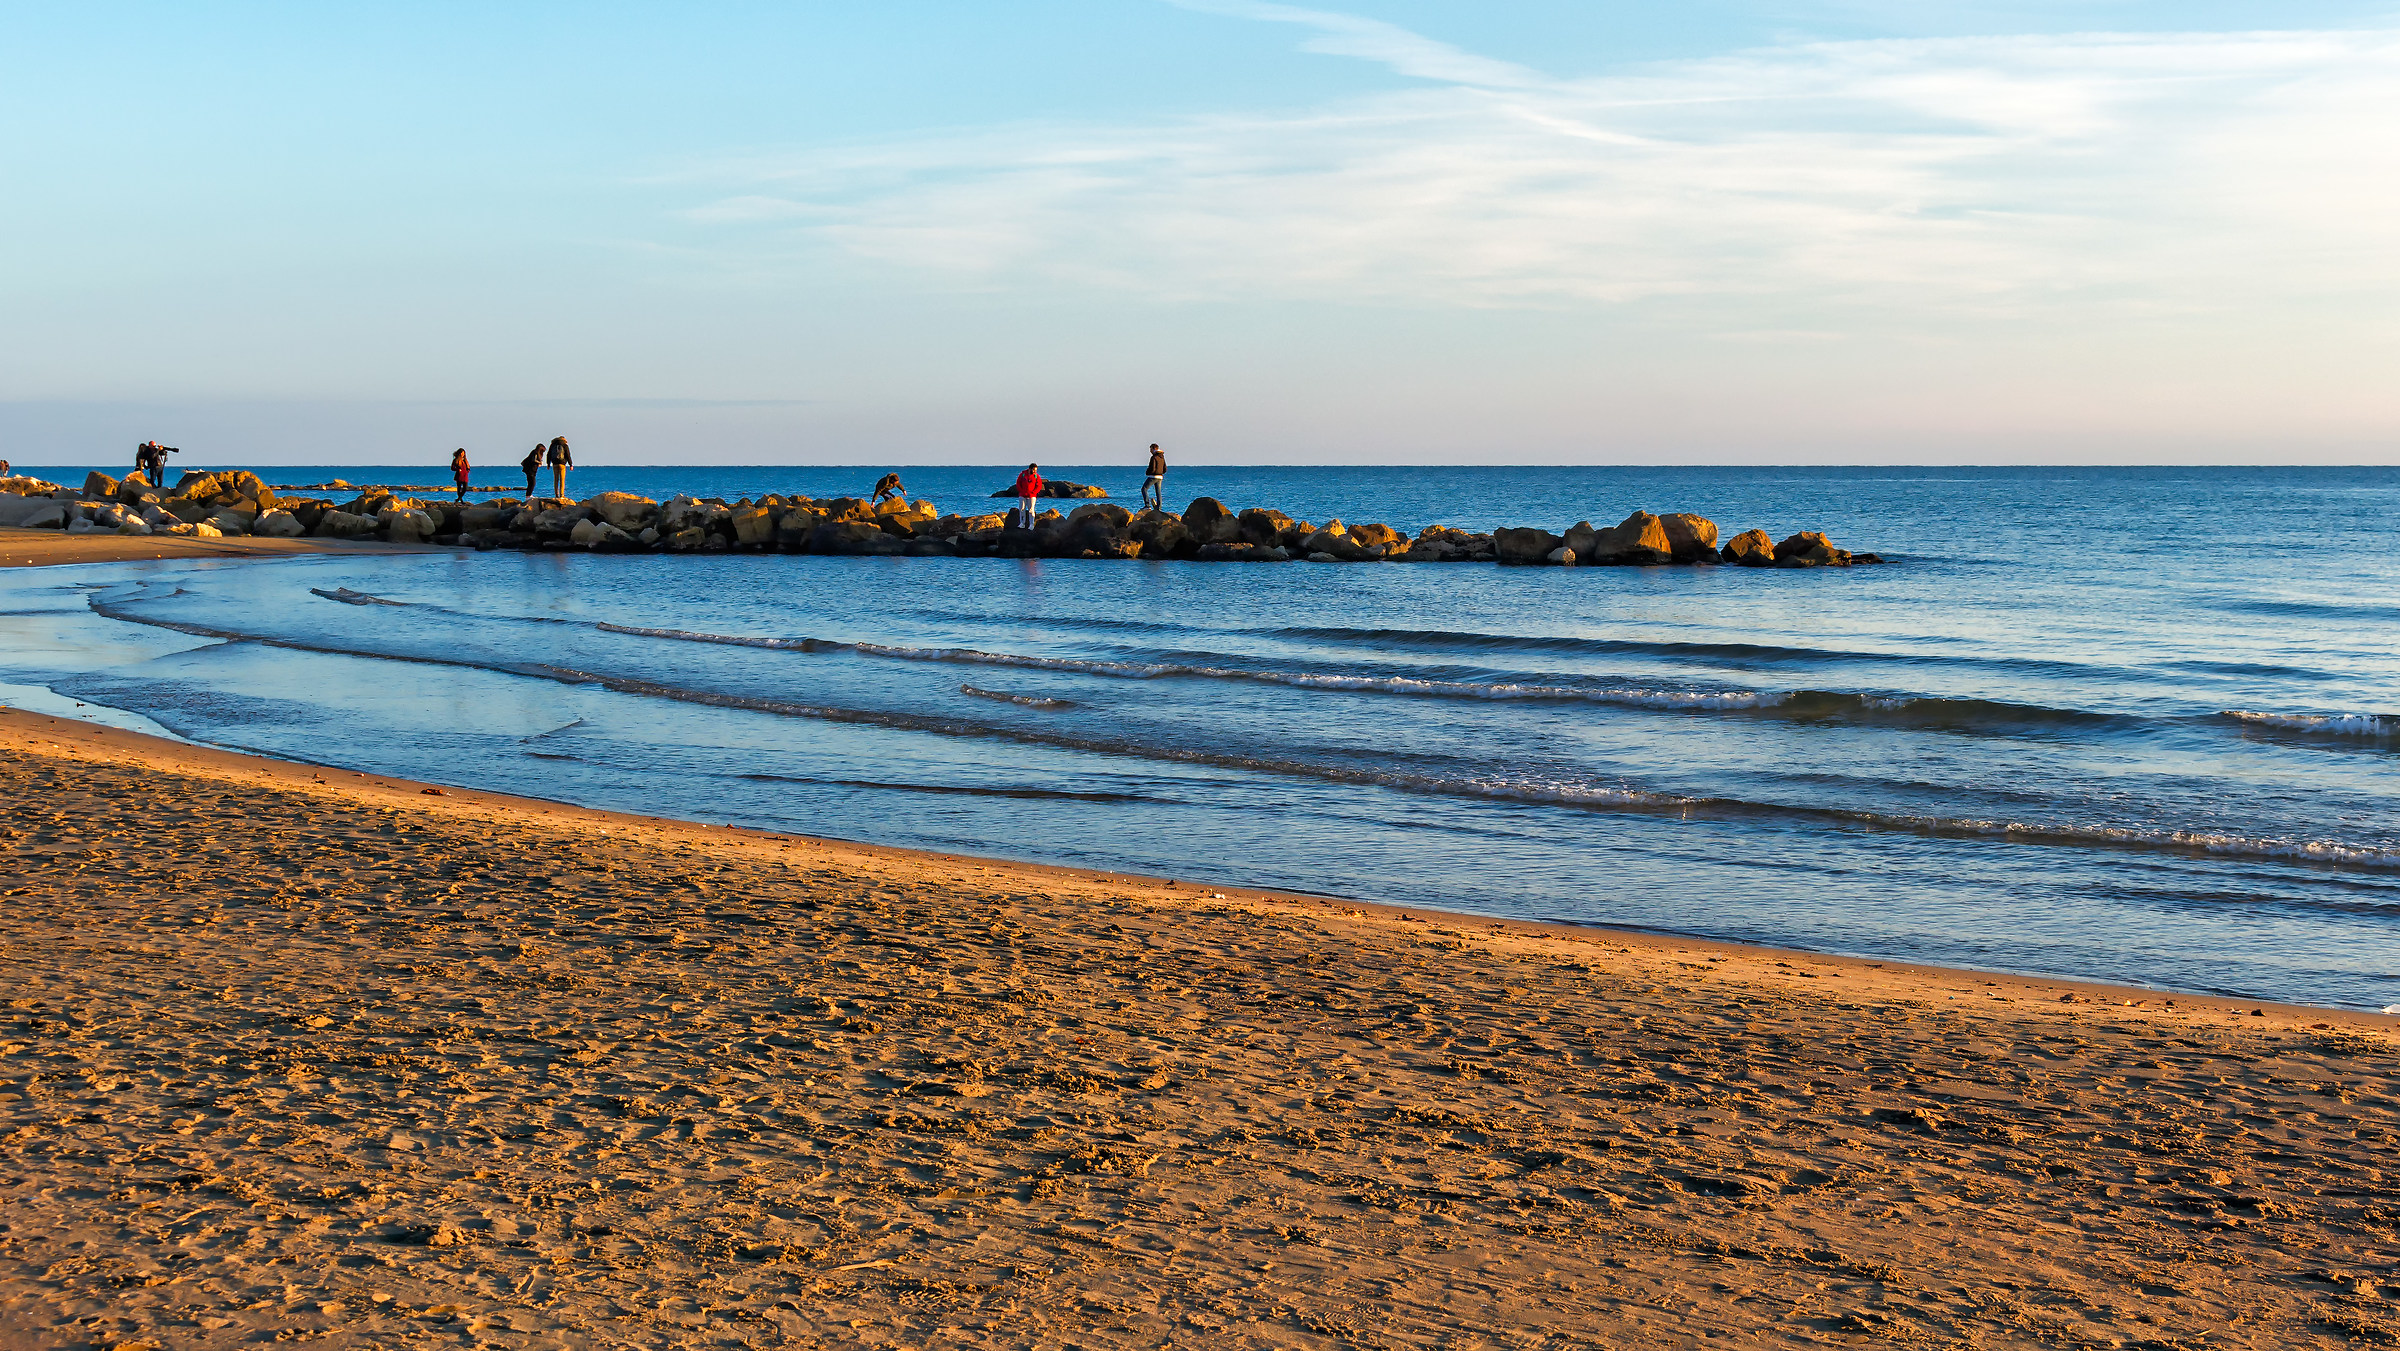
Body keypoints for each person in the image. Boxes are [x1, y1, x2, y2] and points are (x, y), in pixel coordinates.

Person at [1012, 462, 1043, 529]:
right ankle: (1022, 523)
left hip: (1032, 496)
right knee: (1022, 509)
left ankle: (1031, 524)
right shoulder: (1023, 474)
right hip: (1022, 495)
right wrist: (1021, 491)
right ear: (1030, 469)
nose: (1034, 471)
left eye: (1036, 470)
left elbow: (1039, 485)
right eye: (1033, 470)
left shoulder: (1036, 476)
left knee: (1031, 510)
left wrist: (1033, 493)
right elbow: (1018, 483)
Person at [1141, 443, 1166, 511]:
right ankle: (1159, 508)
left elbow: (1152, 468)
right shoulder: (1162, 457)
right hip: (1160, 477)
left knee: (1144, 489)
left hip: (1153, 476)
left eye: (1151, 449)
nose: (1150, 451)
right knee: (1158, 492)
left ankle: (1147, 505)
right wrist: (1160, 473)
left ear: (1154, 449)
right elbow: (1165, 469)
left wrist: (1147, 472)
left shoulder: (1154, 457)